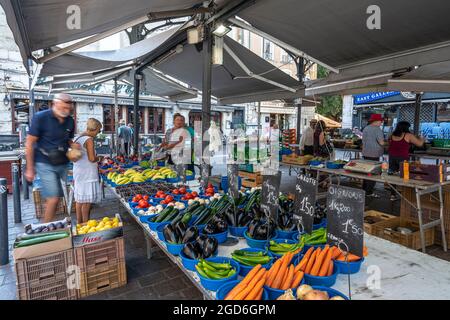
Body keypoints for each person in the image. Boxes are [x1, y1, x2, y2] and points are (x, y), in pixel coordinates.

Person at [25, 93, 79, 222]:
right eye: (64, 106)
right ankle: (46, 229)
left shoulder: (70, 121)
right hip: (44, 162)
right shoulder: (41, 118)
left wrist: (74, 146)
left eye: (69, 106)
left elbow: (68, 140)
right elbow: (29, 143)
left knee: (60, 195)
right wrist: (30, 169)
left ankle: (50, 222)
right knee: (53, 198)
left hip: (63, 162)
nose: (68, 109)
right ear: (55, 103)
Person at [73, 118, 103, 223]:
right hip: (87, 174)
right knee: (86, 202)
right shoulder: (89, 140)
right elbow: (91, 159)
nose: (98, 133)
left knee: (79, 200)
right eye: (98, 131)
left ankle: (79, 223)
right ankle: (86, 225)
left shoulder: (78, 138)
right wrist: (99, 158)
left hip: (78, 172)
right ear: (94, 129)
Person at [388, 121, 424, 200]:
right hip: (402, 158)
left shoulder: (392, 135)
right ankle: (405, 195)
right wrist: (422, 138)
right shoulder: (408, 135)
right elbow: (419, 144)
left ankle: (392, 195)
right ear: (406, 127)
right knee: (405, 176)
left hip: (392, 157)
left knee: (392, 176)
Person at [361, 114, 386, 197]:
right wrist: (387, 144)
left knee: (366, 171)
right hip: (375, 153)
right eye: (380, 121)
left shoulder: (366, 128)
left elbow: (363, 141)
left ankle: (364, 190)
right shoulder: (377, 129)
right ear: (376, 121)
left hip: (365, 152)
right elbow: (381, 142)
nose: (381, 122)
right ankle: (369, 192)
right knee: (373, 173)